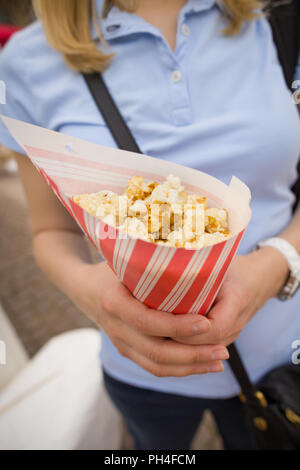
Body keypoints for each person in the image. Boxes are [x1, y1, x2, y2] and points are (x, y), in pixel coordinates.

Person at [0, 0, 300, 450]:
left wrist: (275, 264)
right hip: (139, 368)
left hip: (282, 351)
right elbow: (51, 231)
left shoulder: (281, 19)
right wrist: (91, 292)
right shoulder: (25, 62)